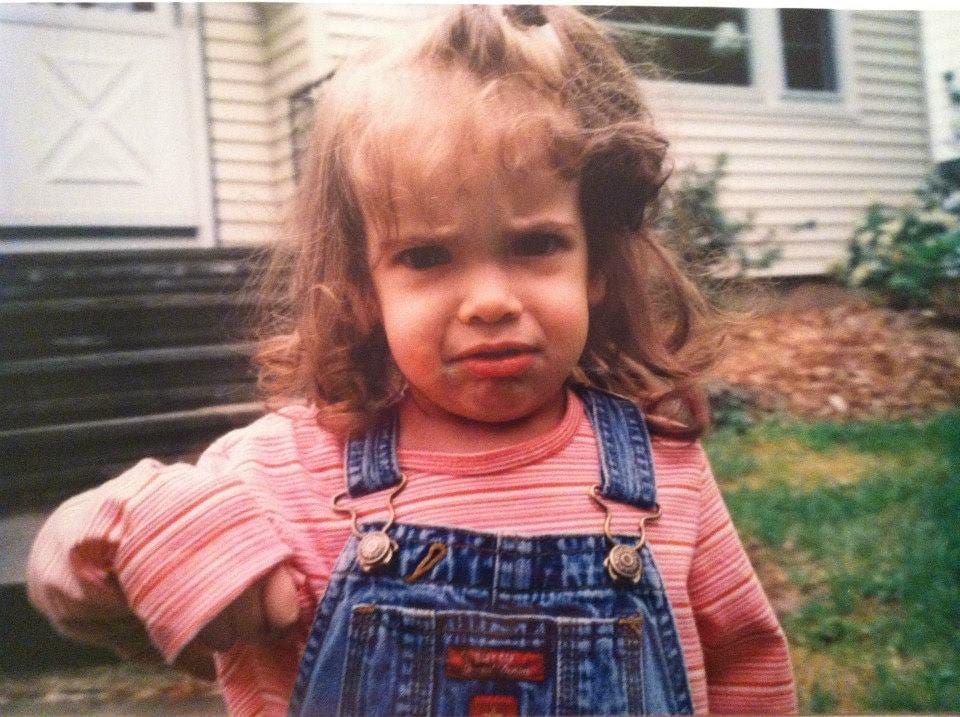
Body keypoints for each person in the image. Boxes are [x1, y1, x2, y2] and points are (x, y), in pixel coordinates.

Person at [27, 6, 797, 716]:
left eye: (536, 244)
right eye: (426, 256)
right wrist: (152, 533)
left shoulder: (664, 473)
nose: (489, 301)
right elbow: (66, 568)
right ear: (365, 287)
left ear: (595, 261)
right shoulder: (288, 473)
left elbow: (748, 669)